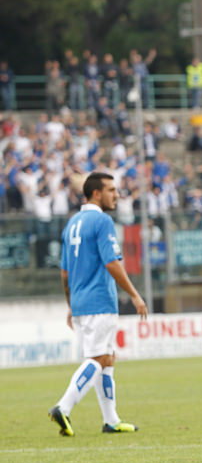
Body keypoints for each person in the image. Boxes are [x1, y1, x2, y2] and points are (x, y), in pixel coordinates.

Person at [48, 171, 148, 436]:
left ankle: (111, 419)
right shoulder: (102, 221)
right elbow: (112, 262)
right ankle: (64, 407)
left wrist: (71, 305)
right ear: (96, 193)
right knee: (98, 357)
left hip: (80, 302)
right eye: (111, 190)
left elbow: (65, 273)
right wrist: (135, 295)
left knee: (107, 358)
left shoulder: (72, 224)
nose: (116, 195)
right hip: (100, 301)